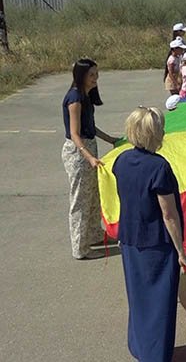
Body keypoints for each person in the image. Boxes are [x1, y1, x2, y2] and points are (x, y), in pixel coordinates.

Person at [113, 106, 186, 362]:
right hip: (156, 243)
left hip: (130, 239)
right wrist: (181, 252)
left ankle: (139, 347)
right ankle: (155, 355)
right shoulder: (159, 167)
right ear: (154, 133)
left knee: (138, 298)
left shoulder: (121, 161)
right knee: (160, 304)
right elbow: (169, 215)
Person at [61, 58, 121, 260]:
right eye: (91, 75)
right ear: (81, 76)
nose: (96, 79)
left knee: (93, 196)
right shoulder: (75, 98)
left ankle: (94, 235)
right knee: (80, 200)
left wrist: (110, 139)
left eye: (97, 74)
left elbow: (90, 127)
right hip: (78, 153)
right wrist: (89, 157)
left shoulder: (86, 96)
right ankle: (80, 248)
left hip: (89, 149)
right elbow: (75, 133)